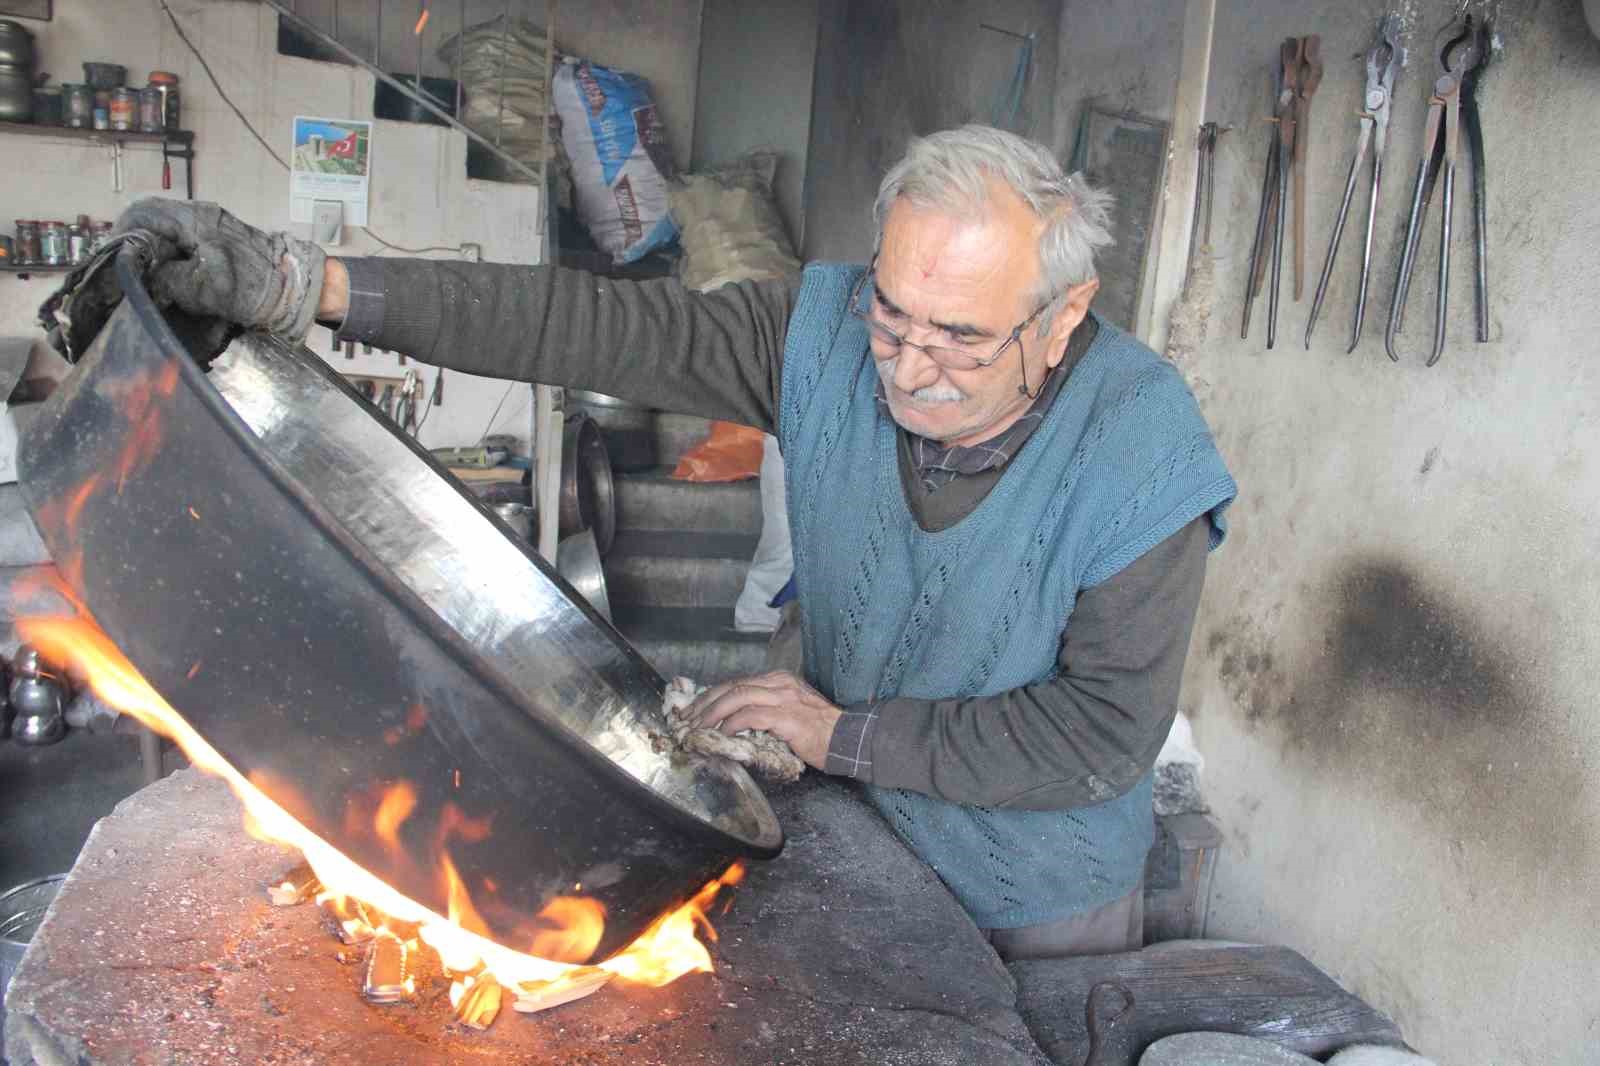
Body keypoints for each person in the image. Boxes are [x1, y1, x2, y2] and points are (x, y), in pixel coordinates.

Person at [97, 124, 1236, 960]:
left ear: (1061, 317)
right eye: (890, 314)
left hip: (1028, 896)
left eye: (958, 339)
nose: (902, 363)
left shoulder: (1139, 449)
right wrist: (314, 287)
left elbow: (1099, 736)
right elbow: (587, 320)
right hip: (853, 836)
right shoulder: (821, 330)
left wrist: (842, 732)